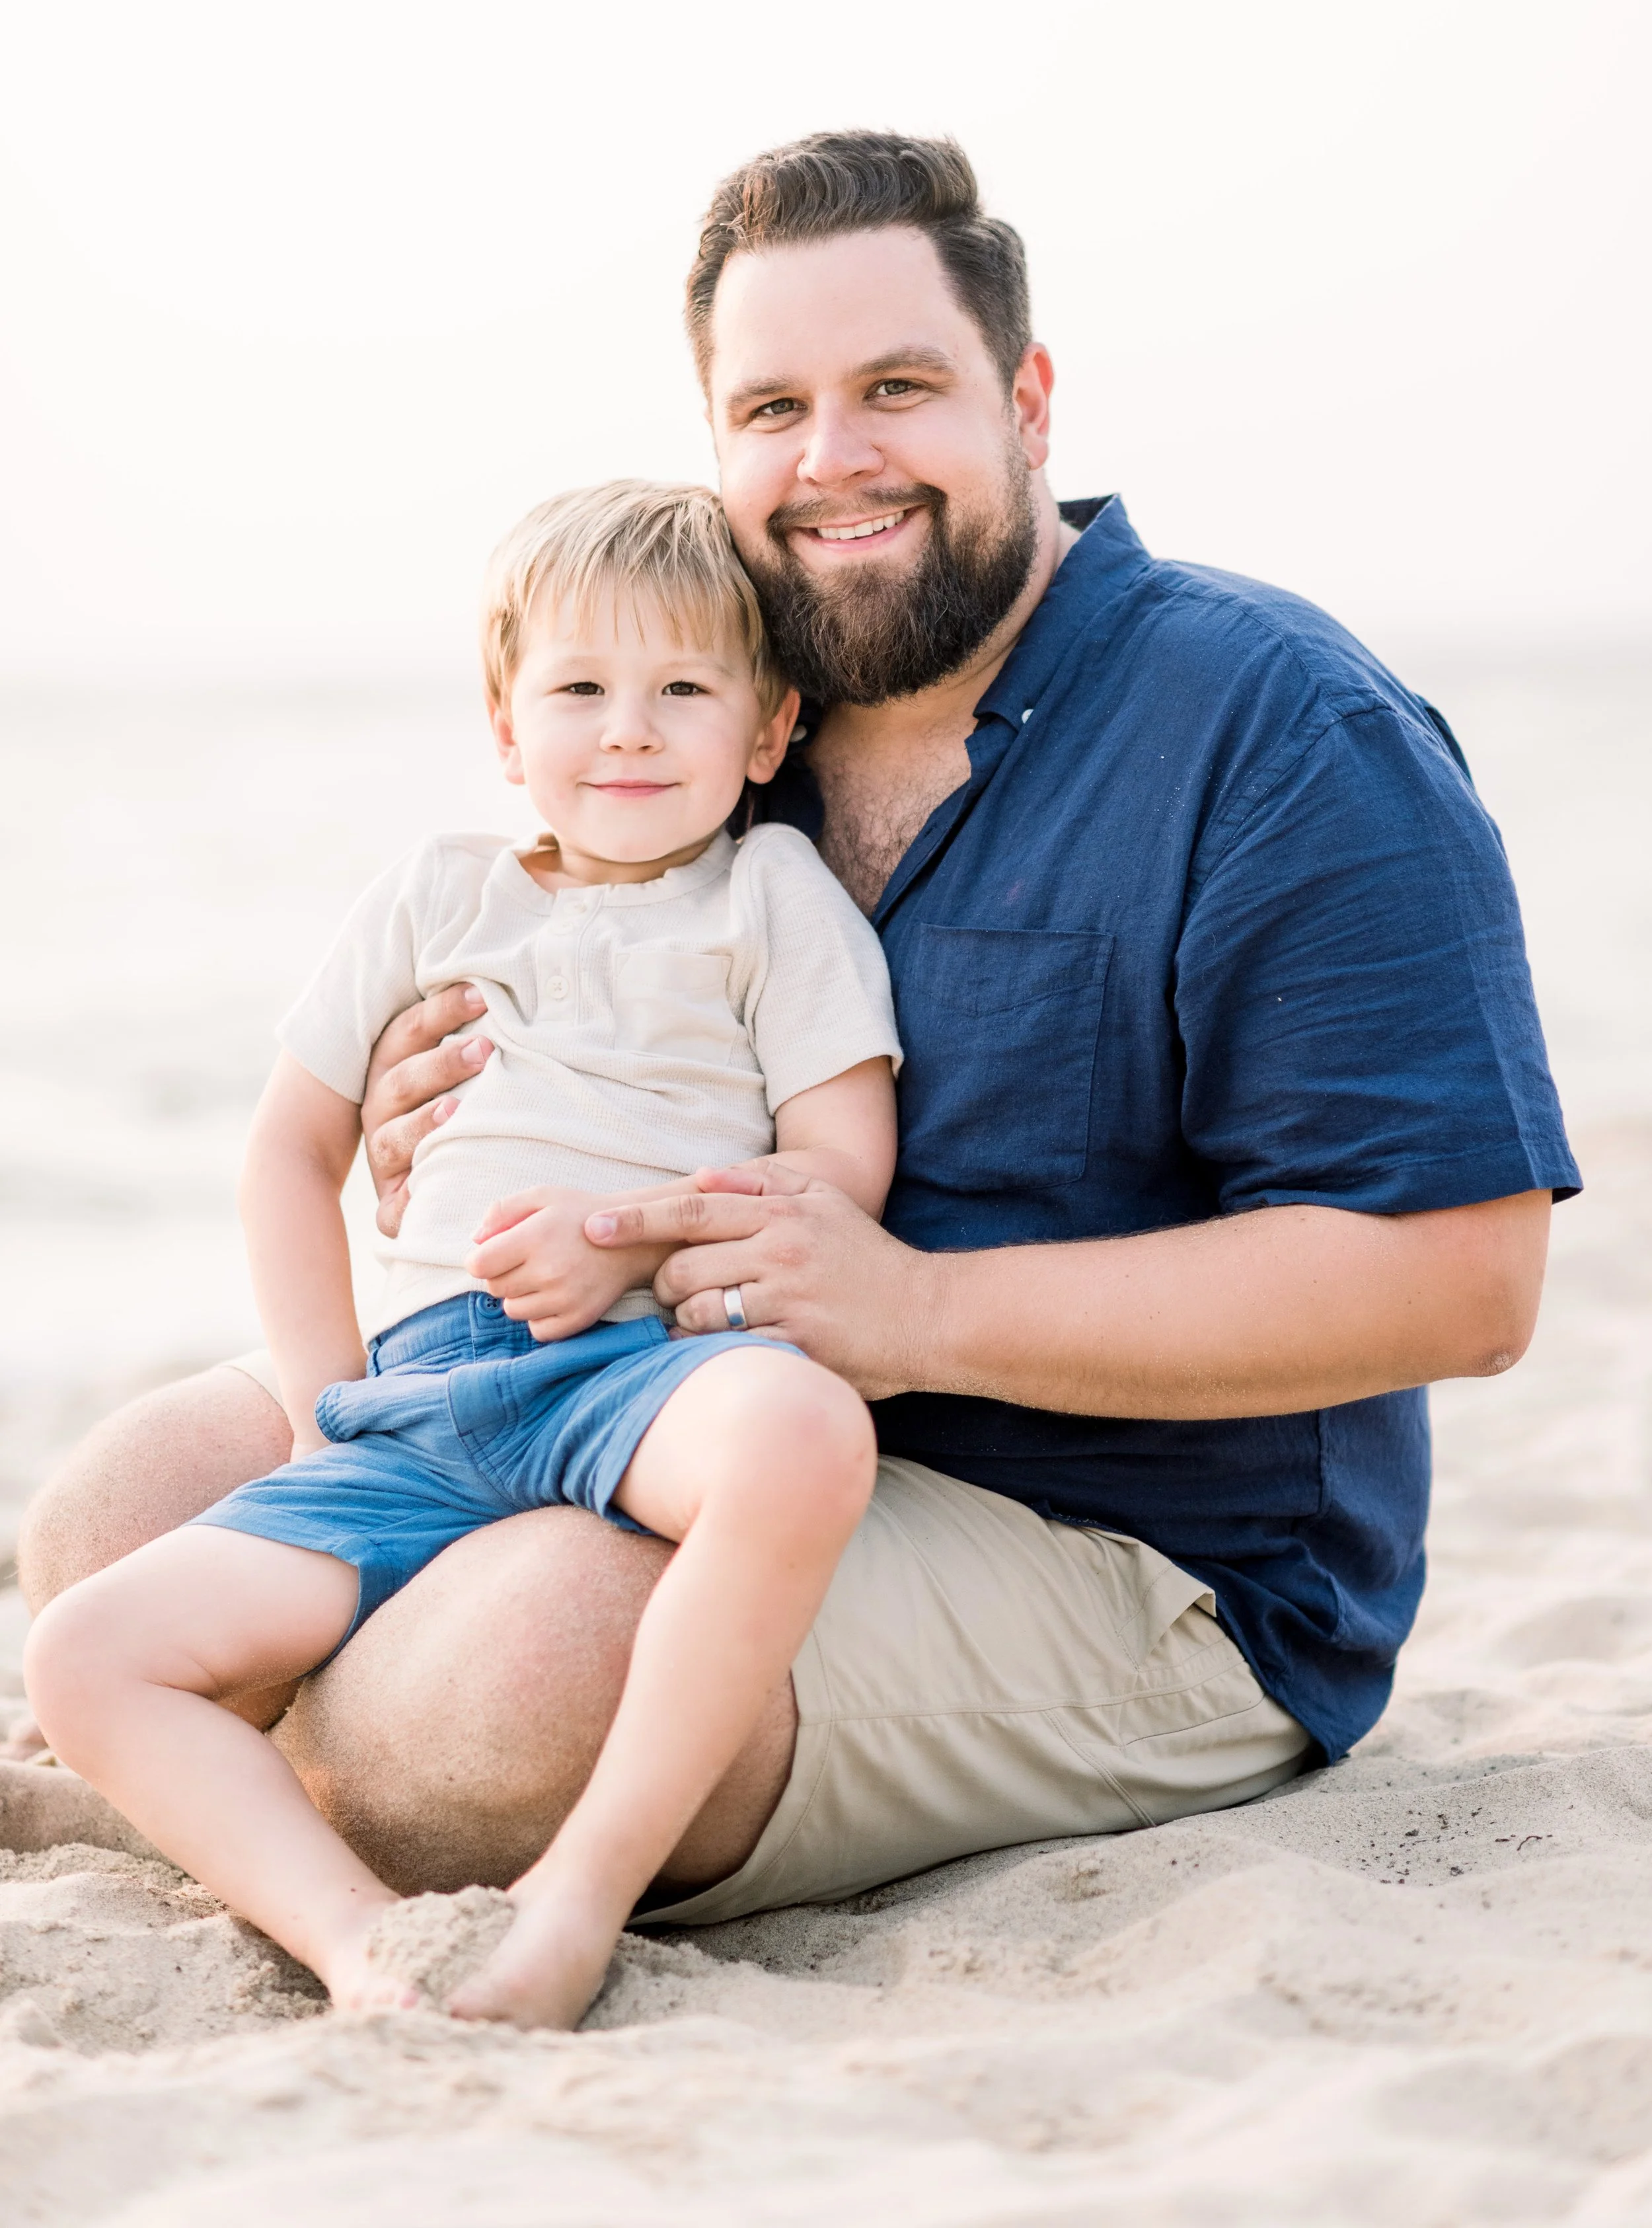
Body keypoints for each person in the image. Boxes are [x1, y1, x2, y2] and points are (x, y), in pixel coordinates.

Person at [17, 132, 1576, 1937]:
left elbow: (1467, 1280)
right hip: (623, 1379)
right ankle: (299, 1776)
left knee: (505, 1676)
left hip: (1119, 1547)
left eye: (895, 389)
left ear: (1028, 399)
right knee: (109, 1517)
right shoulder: (739, 703)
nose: (831, 460)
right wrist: (445, 1125)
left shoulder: (1280, 732)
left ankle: (312, 1792)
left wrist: (916, 1311)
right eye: (771, 406)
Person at [22, 481, 901, 2028]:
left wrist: (622, 1237)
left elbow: (842, 1164)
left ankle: (582, 1890)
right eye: (578, 689)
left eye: (681, 690)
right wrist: (317, 1407)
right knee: (85, 1653)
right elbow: (290, 1154)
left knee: (801, 1430)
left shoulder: (770, 896)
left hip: (642, 1374)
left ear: (765, 732)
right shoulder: (439, 891)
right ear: (506, 727)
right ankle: (357, 1940)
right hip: (423, 1389)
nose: (626, 730)